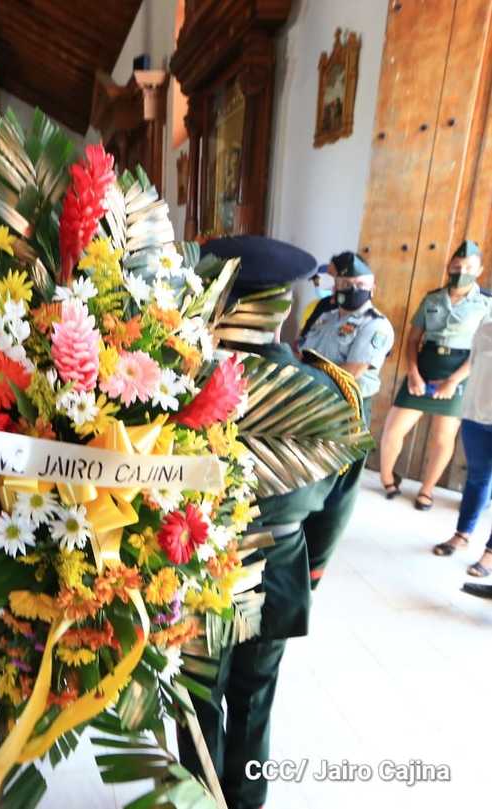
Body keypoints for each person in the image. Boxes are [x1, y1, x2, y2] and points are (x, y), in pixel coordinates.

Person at [176, 235, 368, 809]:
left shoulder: (179, 386)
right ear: (282, 307)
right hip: (281, 567)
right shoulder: (329, 390)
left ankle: (198, 799)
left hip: (197, 569)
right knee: (256, 696)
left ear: (216, 301)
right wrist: (313, 568)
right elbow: (340, 499)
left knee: (196, 700)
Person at [379, 240, 491, 509]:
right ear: (449, 267)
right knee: (393, 430)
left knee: (443, 438)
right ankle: (387, 479)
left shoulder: (486, 303)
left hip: (460, 372)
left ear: (479, 270)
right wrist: (413, 374)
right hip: (424, 366)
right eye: (457, 266)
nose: (461, 271)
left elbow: (485, 350)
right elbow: (412, 340)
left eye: (469, 267)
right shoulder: (432, 298)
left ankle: (426, 491)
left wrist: (453, 381)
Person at [298, 252, 393, 425]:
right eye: (346, 284)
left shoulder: (376, 325)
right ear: (336, 288)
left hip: (344, 406)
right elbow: (302, 352)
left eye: (360, 285)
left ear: (372, 289)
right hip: (311, 398)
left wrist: (305, 377)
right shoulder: (326, 317)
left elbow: (352, 372)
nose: (354, 289)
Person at [431, 313, 492, 576]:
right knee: (477, 479)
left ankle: (490, 553)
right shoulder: (486, 322)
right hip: (475, 416)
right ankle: (462, 534)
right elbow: (474, 364)